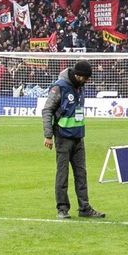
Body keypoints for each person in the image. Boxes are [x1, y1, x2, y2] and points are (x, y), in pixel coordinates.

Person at [41, 60, 105, 220]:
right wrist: (48, 135)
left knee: (81, 174)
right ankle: (62, 209)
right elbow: (47, 110)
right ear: (78, 75)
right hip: (63, 137)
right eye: (85, 78)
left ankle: (85, 208)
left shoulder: (79, 86)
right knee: (62, 174)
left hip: (78, 137)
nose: (87, 81)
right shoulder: (60, 87)